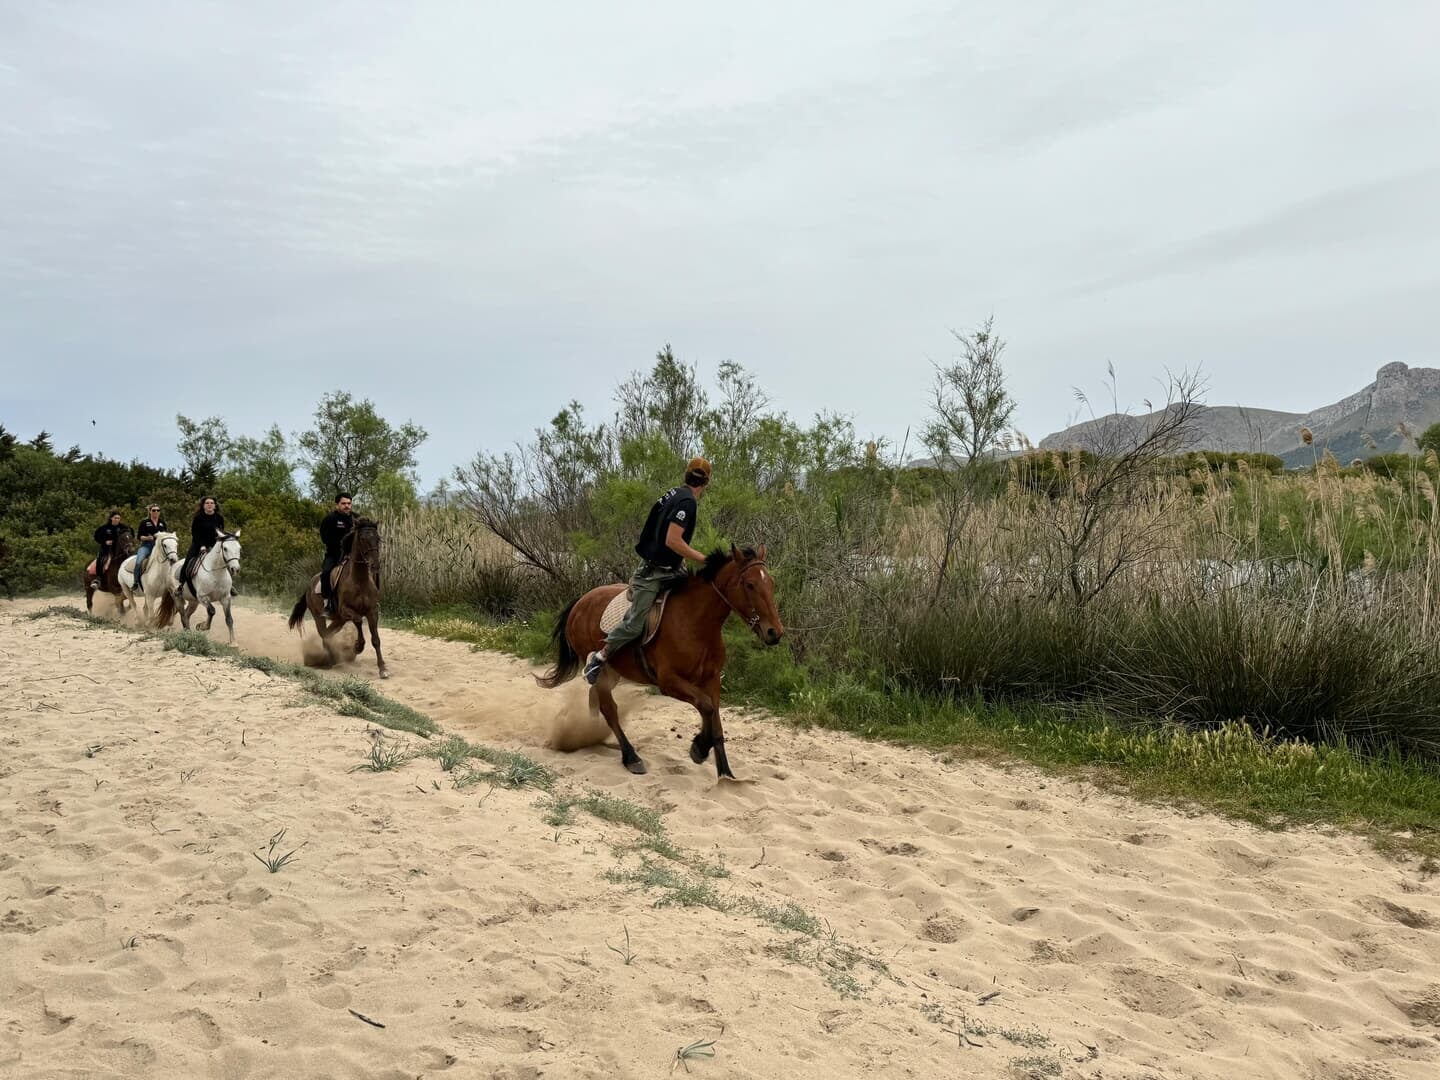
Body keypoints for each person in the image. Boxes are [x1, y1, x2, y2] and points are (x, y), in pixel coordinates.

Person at [584, 458, 711, 685]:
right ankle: (599, 657)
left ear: (686, 476)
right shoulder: (688, 503)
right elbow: (672, 540)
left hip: (669, 568)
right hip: (653, 573)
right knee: (635, 623)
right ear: (706, 483)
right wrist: (703, 558)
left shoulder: (672, 494)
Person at [319, 493, 354, 614]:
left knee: (372, 571)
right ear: (337, 505)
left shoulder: (357, 519)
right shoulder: (330, 519)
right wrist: (340, 548)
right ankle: (327, 603)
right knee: (326, 573)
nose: (346, 506)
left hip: (354, 556)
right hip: (334, 555)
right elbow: (324, 538)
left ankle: (372, 601)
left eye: (349, 503)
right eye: (343, 503)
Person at [179, 496, 225, 589]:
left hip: (214, 545)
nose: (209, 505)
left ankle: (229, 586)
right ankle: (181, 585)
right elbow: (195, 534)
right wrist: (202, 545)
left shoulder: (219, 518)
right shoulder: (198, 518)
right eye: (207, 503)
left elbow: (221, 532)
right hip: (198, 544)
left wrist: (218, 544)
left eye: (212, 503)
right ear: (203, 506)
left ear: (215, 506)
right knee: (188, 561)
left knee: (226, 561)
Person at [134, 504, 167, 589]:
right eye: (154, 510)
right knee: (139, 561)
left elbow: (165, 535)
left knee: (171, 559)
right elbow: (139, 537)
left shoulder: (162, 523)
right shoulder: (145, 522)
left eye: (158, 510)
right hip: (147, 545)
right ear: (150, 511)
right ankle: (136, 582)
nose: (156, 512)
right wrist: (147, 538)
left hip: (159, 547)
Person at [92, 511, 124, 586]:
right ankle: (98, 578)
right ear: (111, 518)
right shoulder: (103, 528)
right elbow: (96, 537)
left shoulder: (123, 527)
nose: (117, 519)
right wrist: (105, 542)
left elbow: (129, 533)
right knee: (100, 558)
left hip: (119, 549)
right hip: (106, 548)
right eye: (115, 518)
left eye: (118, 518)